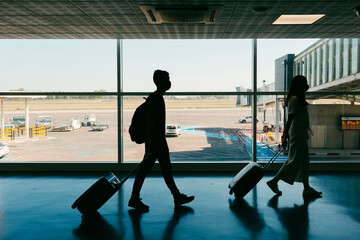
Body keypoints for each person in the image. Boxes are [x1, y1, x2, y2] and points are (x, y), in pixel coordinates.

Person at [128, 70, 195, 212]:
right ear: (159, 81)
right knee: (156, 170)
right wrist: (152, 144)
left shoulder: (156, 97)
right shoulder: (156, 98)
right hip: (156, 143)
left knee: (162, 170)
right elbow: (151, 122)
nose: (169, 81)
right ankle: (135, 198)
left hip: (156, 142)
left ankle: (175, 196)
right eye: (167, 78)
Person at [267, 75, 322, 198]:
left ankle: (306, 188)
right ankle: (274, 181)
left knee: (303, 161)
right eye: (305, 83)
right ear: (300, 85)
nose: (307, 85)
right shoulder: (294, 99)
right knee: (294, 160)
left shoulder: (297, 99)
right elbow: (290, 119)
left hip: (300, 133)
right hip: (297, 133)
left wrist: (304, 132)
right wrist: (284, 136)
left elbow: (298, 119)